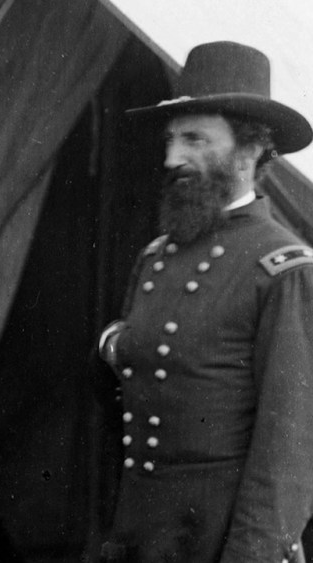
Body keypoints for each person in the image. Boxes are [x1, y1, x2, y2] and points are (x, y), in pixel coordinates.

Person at [97, 41, 313, 562]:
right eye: (171, 140)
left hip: (219, 540)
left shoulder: (284, 268)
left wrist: (254, 554)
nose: (172, 159)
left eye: (195, 139)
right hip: (143, 534)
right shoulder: (156, 256)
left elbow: (289, 446)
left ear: (249, 150)